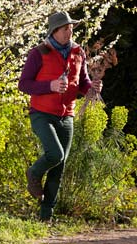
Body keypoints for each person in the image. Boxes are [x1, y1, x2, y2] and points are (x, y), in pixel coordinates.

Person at [18, 11, 102, 222]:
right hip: (41, 114)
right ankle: (33, 173)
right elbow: (24, 84)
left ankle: (46, 216)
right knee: (55, 155)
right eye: (65, 28)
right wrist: (50, 86)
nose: (70, 31)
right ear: (54, 31)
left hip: (67, 116)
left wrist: (92, 88)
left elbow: (82, 83)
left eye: (71, 27)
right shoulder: (38, 53)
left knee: (59, 167)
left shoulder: (78, 52)